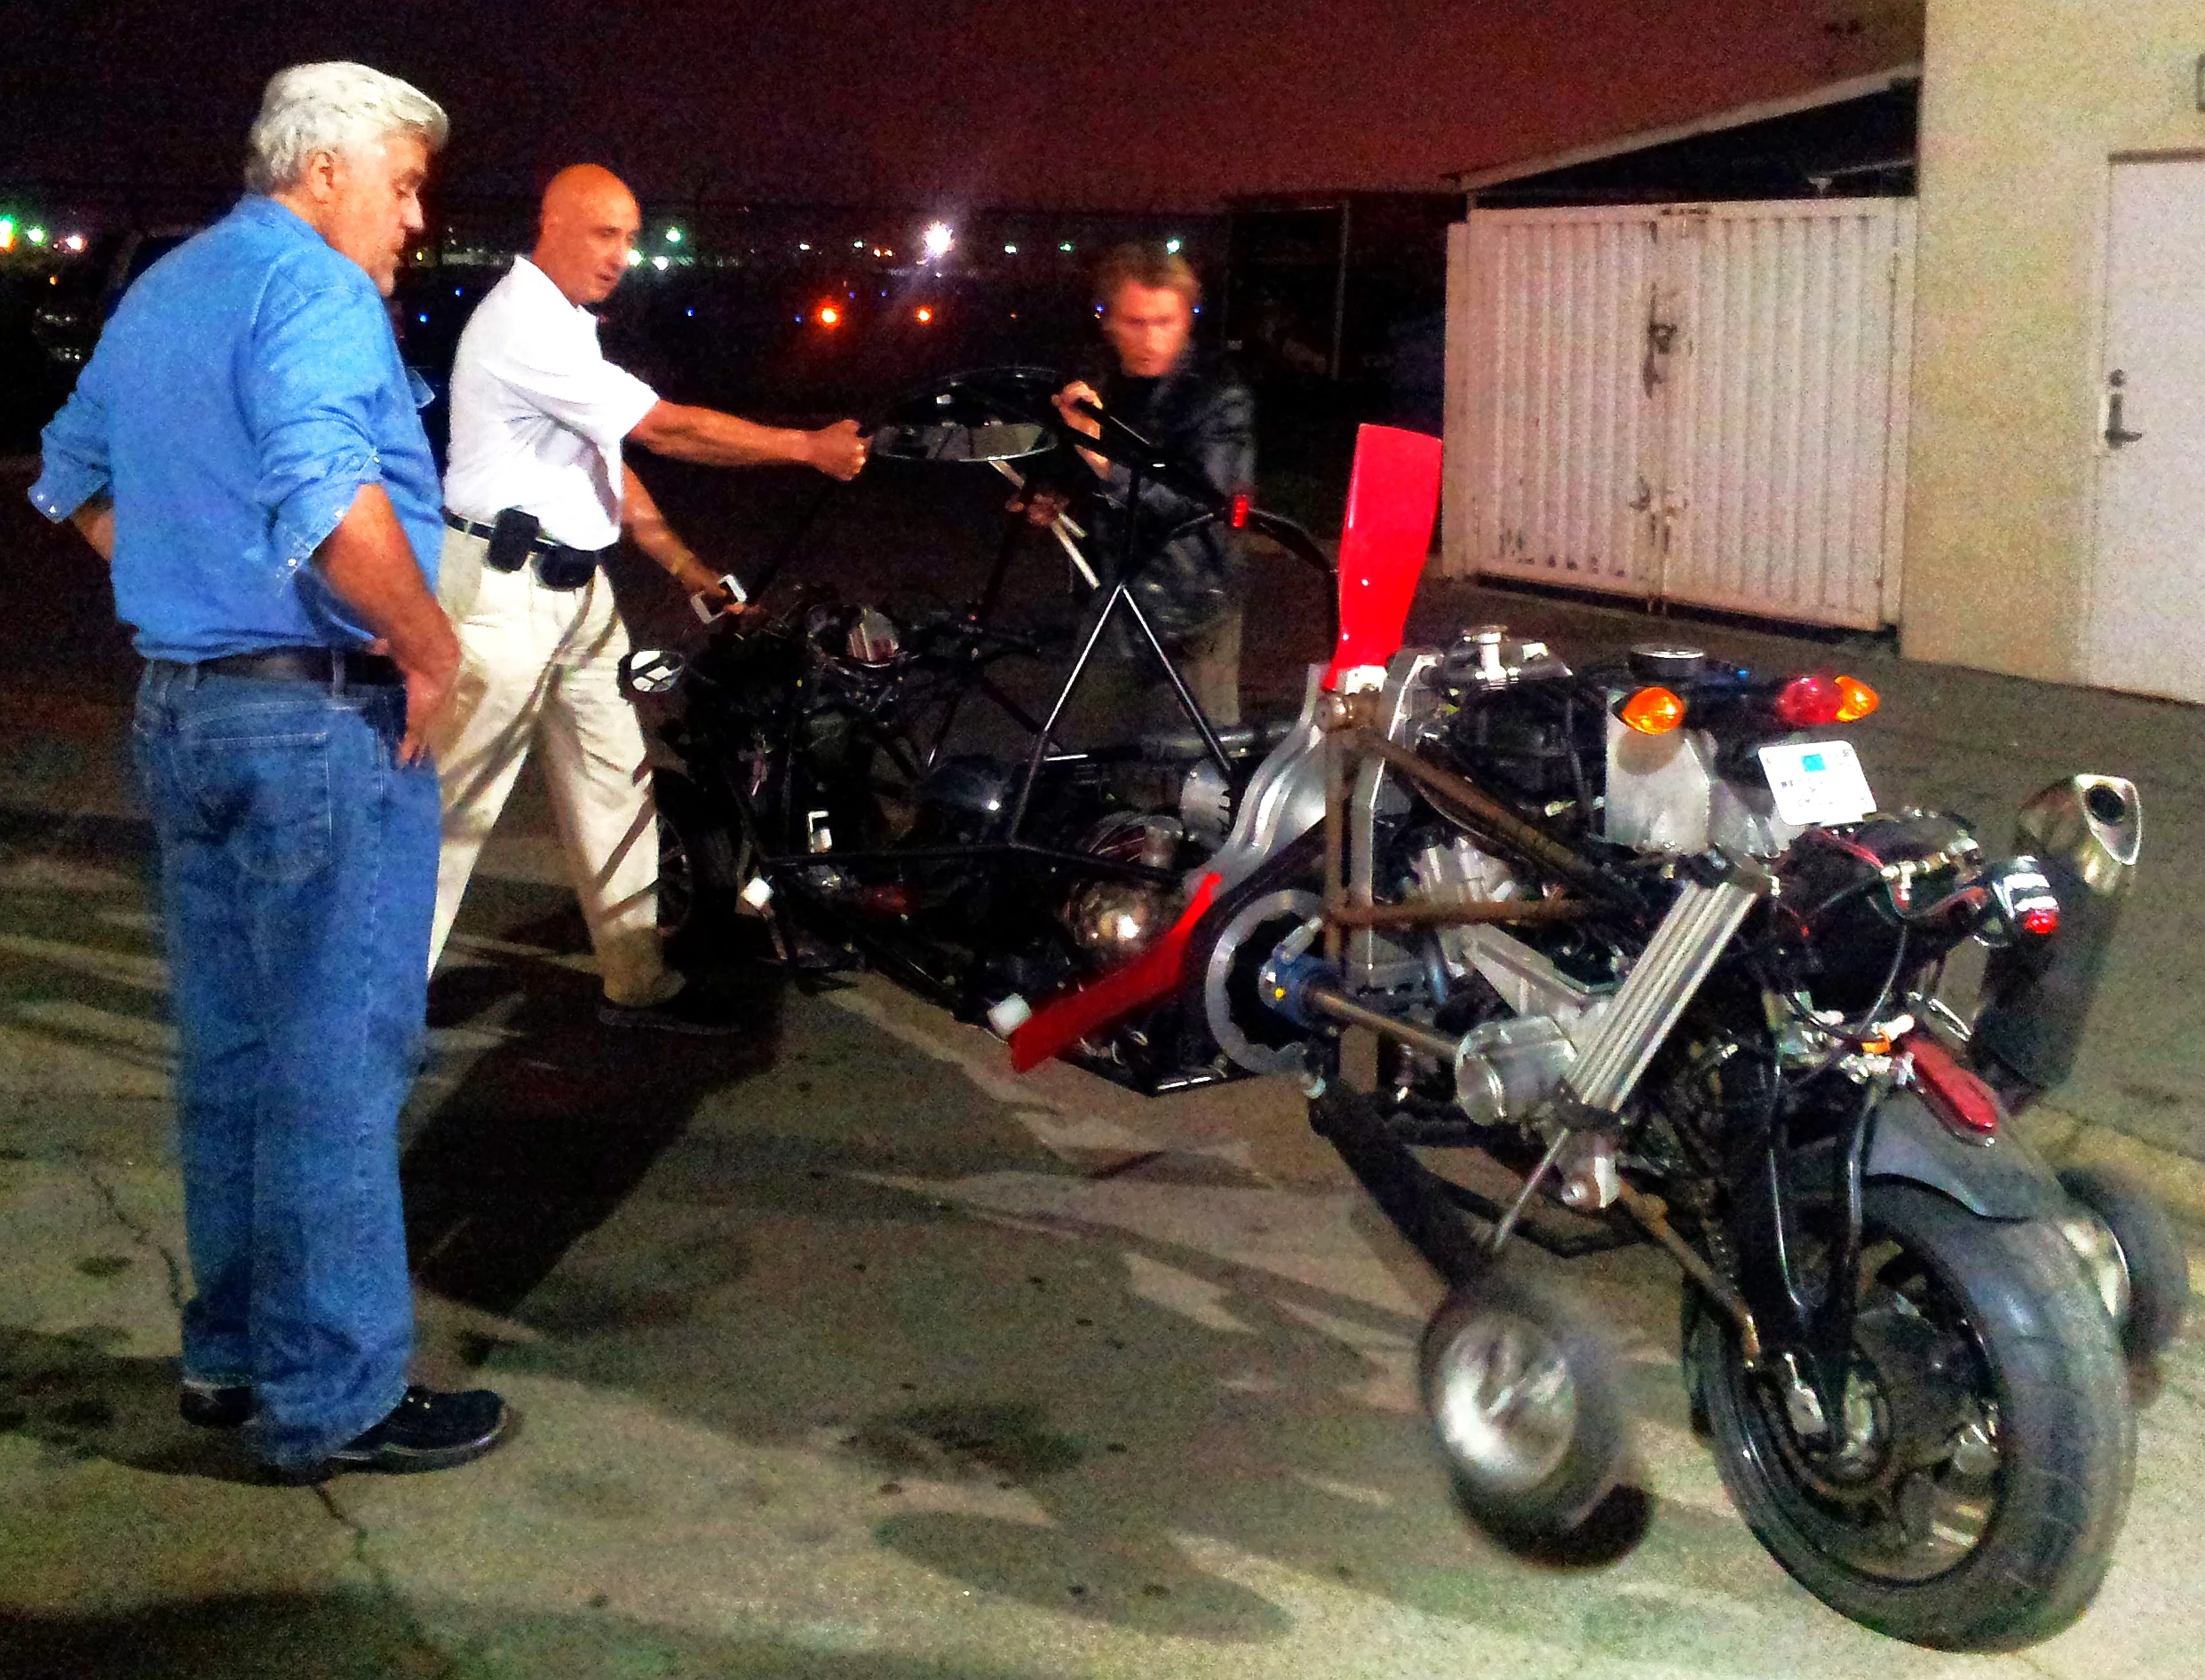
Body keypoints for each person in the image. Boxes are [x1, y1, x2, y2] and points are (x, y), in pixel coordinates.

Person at [28, 62, 509, 1479]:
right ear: (325, 170)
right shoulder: (317, 290)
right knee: (335, 1061)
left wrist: (192, 592)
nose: (413, 218)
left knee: (234, 1054)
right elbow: (328, 493)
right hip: (311, 726)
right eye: (404, 186)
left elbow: (71, 472)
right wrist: (428, 649)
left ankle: (232, 1353)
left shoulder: (169, 287)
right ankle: (337, 1394)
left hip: (185, 718)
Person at [429, 163, 867, 1032]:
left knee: (617, 787)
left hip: (577, 595)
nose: (621, 256)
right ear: (551, 224)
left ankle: (636, 982)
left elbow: (605, 462)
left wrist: (686, 568)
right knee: (451, 812)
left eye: (629, 238)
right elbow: (662, 429)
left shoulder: (568, 325)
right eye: (605, 234)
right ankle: (365, 1019)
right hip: (500, 598)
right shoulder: (523, 323)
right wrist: (804, 447)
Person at [1019, 242, 1256, 728]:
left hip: (1193, 607)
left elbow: (1203, 502)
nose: (1151, 339)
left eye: (1165, 322)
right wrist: (1055, 493)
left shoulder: (1218, 395)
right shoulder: (1100, 380)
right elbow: (1077, 464)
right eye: (1135, 322)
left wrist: (1103, 459)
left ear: (1188, 319)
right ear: (1108, 321)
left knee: (1192, 759)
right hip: (1111, 597)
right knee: (1084, 746)